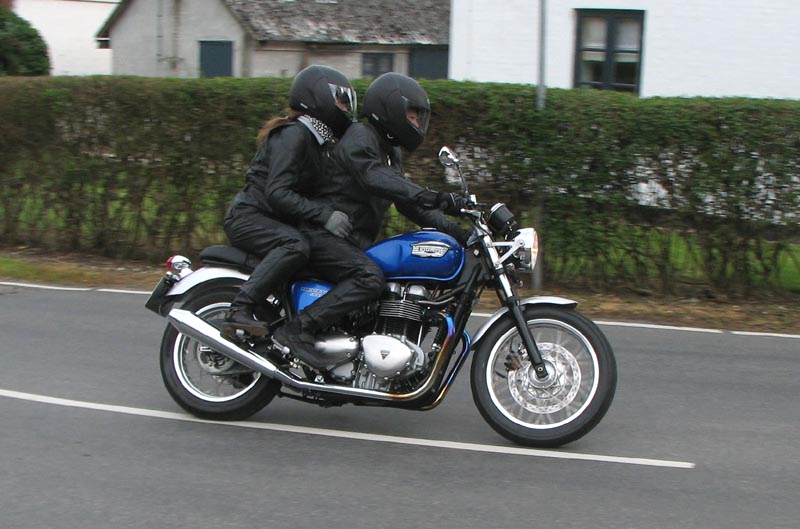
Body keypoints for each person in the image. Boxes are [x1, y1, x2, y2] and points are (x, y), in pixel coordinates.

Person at [271, 72, 468, 369]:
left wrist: (460, 232)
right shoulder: (360, 136)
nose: (417, 123)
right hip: (323, 234)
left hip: (347, 241)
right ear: (391, 109)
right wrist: (434, 196)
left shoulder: (390, 152)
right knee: (369, 278)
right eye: (412, 115)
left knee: (386, 279)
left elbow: (410, 205)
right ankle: (297, 330)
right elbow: (374, 177)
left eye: (419, 118)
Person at [220, 65, 357, 346]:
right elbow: (277, 192)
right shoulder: (294, 134)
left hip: (271, 218)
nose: (346, 108)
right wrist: (324, 215)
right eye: (340, 100)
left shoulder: (318, 142)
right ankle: (239, 309)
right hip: (249, 217)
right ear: (317, 97)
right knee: (295, 245)